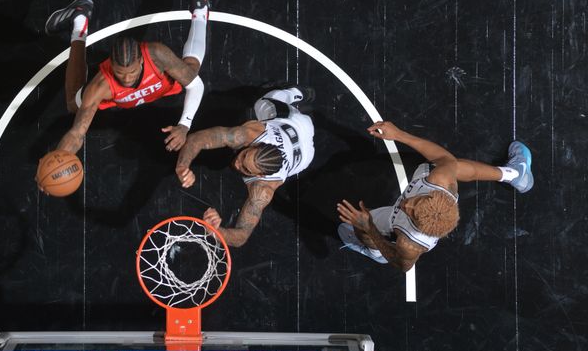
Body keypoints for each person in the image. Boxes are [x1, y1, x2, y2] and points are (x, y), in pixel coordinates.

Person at [336, 120, 534, 272]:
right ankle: (515, 174)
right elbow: (450, 162)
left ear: (418, 225)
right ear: (432, 195)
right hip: (434, 183)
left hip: (394, 229)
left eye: (411, 213)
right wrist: (399, 134)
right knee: (451, 165)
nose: (405, 205)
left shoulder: (409, 243)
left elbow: (402, 265)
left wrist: (369, 228)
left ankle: (374, 251)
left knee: (363, 224)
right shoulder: (441, 180)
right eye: (415, 202)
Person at [45, 0, 210, 154]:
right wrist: (59, 158)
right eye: (119, 73)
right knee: (74, 105)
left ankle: (200, 10)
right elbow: (76, 134)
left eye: (131, 72)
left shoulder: (158, 55)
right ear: (110, 65)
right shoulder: (101, 85)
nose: (126, 79)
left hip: (159, 84)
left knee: (191, 72)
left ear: (140, 61)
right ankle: (79, 23)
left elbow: (197, 86)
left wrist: (184, 126)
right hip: (116, 96)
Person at [175, 87, 315, 247]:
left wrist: (217, 231)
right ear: (255, 145)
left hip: (304, 156)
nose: (237, 163)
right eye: (243, 156)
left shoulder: (263, 190)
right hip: (294, 122)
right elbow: (197, 139)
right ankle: (299, 92)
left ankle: (300, 95)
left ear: (260, 176)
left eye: (246, 170)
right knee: (263, 103)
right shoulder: (250, 133)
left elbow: (242, 235)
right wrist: (183, 165)